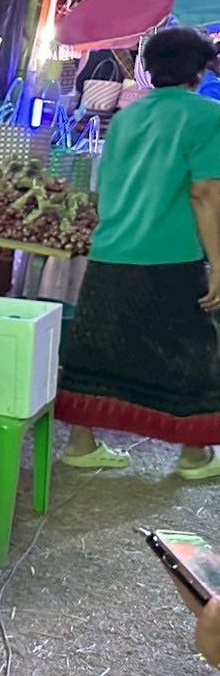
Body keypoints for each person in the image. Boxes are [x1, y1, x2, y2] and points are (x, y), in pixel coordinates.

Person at [57, 27, 220, 478]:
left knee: (95, 348)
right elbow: (205, 194)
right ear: (200, 71)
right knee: (192, 350)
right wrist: (219, 264)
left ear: (149, 69)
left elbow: (105, 185)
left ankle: (81, 443)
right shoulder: (207, 116)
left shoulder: (127, 116)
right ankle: (193, 455)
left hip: (111, 248)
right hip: (170, 255)